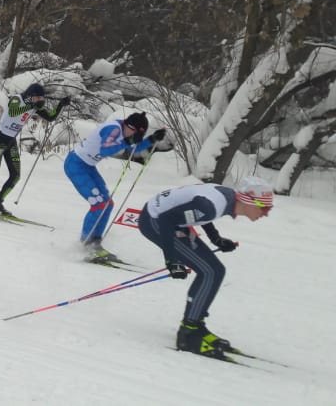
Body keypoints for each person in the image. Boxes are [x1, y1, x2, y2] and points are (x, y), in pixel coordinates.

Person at [138, 176, 273, 360]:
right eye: (264, 208)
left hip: (171, 220)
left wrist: (216, 239)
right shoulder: (212, 205)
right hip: (155, 222)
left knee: (215, 270)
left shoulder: (226, 199)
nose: (266, 213)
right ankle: (188, 334)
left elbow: (198, 214)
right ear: (249, 200)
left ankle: (196, 324)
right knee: (210, 271)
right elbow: (167, 218)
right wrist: (171, 261)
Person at [64, 112, 164, 262]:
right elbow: (105, 149)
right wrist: (128, 140)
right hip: (76, 165)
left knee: (108, 205)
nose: (134, 135)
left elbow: (134, 148)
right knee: (99, 204)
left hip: (87, 166)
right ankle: (86, 244)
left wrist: (152, 139)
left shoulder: (124, 131)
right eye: (135, 132)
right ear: (130, 126)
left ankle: (95, 243)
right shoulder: (114, 129)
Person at [0, 83, 68, 215]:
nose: (39, 101)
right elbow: (13, 111)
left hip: (11, 141)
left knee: (15, 176)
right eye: (37, 98)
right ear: (30, 96)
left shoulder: (34, 106)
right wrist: (32, 105)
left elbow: (51, 117)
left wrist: (61, 105)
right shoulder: (18, 99)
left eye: (41, 98)